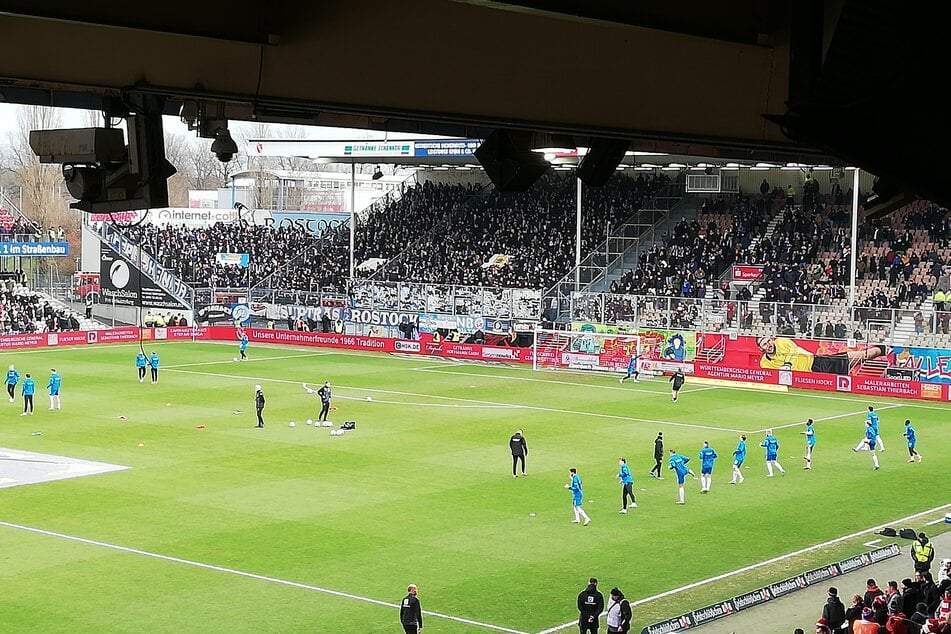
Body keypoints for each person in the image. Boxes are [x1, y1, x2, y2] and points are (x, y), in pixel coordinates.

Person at [756, 336, 888, 375]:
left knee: (865, 355)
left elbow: (793, 351)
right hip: (806, 377)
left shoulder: (781, 342)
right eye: (764, 344)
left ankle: (885, 349)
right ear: (761, 349)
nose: (768, 344)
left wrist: (787, 365)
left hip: (817, 362)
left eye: (768, 341)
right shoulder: (764, 363)